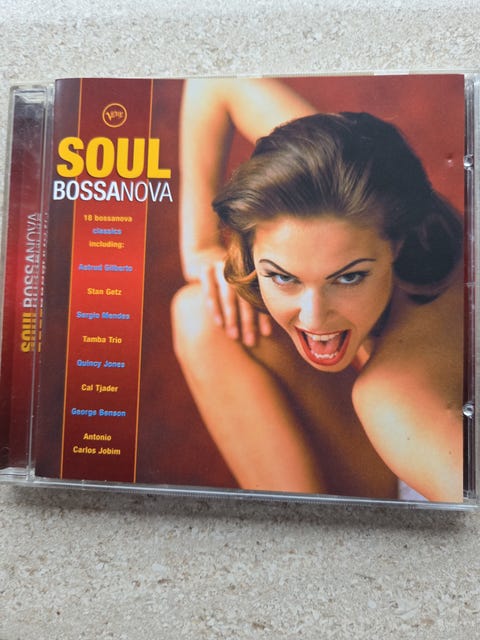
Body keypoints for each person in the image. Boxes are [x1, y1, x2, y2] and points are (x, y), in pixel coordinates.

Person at [171, 78, 464, 502]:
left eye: (348, 277)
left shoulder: (394, 398)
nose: (313, 318)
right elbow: (217, 81)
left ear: (396, 242)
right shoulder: (350, 174)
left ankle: (307, 536)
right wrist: (200, 246)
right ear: (250, 248)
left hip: (420, 487)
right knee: (201, 311)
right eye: (283, 277)